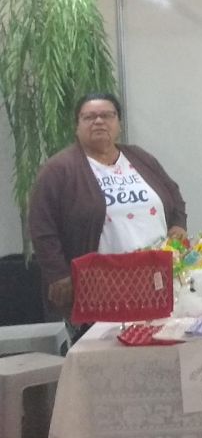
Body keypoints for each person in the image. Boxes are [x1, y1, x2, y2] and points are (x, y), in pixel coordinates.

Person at [28, 92, 187, 317]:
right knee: (111, 338)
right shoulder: (58, 169)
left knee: (158, 334)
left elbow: (173, 194)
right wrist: (58, 274)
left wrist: (178, 225)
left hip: (156, 277)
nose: (99, 121)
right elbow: (42, 226)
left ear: (118, 123)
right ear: (76, 127)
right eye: (89, 117)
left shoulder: (140, 158)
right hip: (101, 285)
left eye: (107, 115)